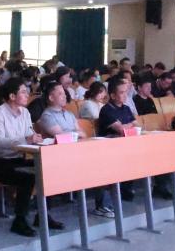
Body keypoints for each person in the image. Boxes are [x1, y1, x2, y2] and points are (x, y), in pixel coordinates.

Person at [36, 83, 115, 218]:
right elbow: (60, 135)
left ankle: (102, 205)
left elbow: (82, 133)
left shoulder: (69, 114)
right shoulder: (47, 116)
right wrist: (74, 134)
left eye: (64, 92)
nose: (64, 95)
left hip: (76, 152)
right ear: (51, 97)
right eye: (60, 93)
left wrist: (73, 134)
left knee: (102, 162)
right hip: (59, 156)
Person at [0, 78, 52, 237]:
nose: (27, 94)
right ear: (12, 96)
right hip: (0, 163)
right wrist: (26, 139)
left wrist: (35, 138)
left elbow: (29, 134)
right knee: (28, 177)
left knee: (49, 169)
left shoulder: (25, 112)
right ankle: (19, 220)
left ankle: (42, 215)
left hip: (18, 159)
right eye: (23, 92)